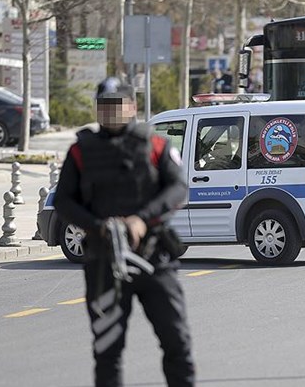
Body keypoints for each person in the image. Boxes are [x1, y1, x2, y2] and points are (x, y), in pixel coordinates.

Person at [54, 77, 195, 386]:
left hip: (154, 259)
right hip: (104, 263)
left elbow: (178, 188)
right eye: (103, 105)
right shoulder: (81, 151)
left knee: (177, 342)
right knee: (107, 351)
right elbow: (63, 200)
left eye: (116, 105)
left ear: (132, 107)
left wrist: (142, 219)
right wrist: (97, 226)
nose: (109, 111)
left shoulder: (155, 144)